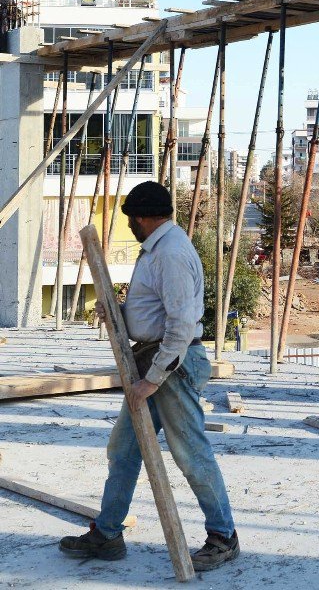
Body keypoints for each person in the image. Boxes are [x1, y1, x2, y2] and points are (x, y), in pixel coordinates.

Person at [59, 181, 239, 572]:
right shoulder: (157, 249)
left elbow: (179, 325)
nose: (130, 227)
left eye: (131, 220)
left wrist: (153, 379)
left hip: (169, 366)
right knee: (123, 451)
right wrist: (121, 313)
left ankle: (223, 537)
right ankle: (107, 534)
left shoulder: (171, 254)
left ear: (142, 217)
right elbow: (155, 312)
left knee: (190, 454)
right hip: (153, 363)